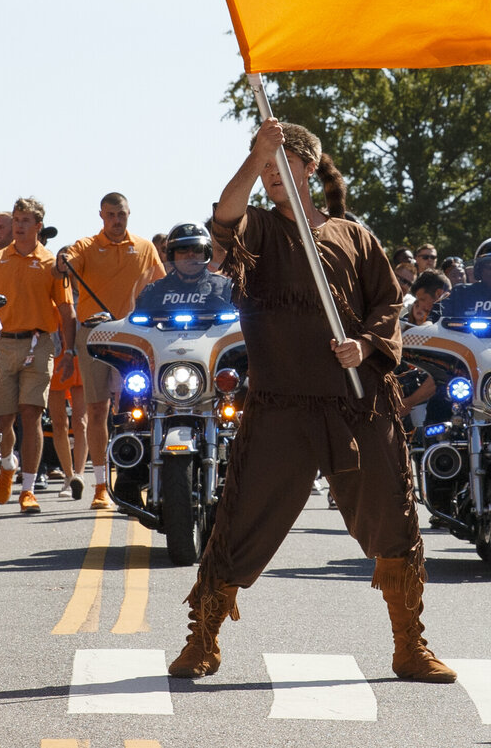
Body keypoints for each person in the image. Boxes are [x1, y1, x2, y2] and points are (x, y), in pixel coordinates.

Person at [169, 119, 453, 685]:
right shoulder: (258, 229)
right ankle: (202, 638)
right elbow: (223, 218)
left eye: (280, 165)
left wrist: (366, 345)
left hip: (358, 401)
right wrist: (257, 155)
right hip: (280, 405)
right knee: (242, 517)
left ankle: (409, 645)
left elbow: (387, 305)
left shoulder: (354, 235)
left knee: (393, 520)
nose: (271, 175)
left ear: (307, 166)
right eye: (265, 168)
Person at [57, 194, 165, 509]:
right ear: (101, 216)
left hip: (134, 337)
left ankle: (134, 480)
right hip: (94, 336)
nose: (117, 221)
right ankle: (101, 486)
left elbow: (162, 288)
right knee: (96, 411)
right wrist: (62, 260)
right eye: (111, 215)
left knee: (139, 409)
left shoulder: (145, 247)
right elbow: (61, 268)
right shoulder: (86, 245)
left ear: (129, 214)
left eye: (122, 214)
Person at [0, 199, 74, 514]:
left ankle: (28, 490)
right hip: (1, 345)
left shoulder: (51, 263)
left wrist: (70, 350)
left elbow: (65, 308)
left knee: (31, 414)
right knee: (3, 421)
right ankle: (8, 463)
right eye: (16, 219)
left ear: (38, 226)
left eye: (25, 220)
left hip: (39, 343)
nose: (18, 226)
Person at [131, 223, 236, 320]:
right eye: (183, 248)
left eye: (197, 248)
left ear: (207, 253)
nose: (190, 254)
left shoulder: (226, 289)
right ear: (172, 255)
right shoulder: (152, 292)